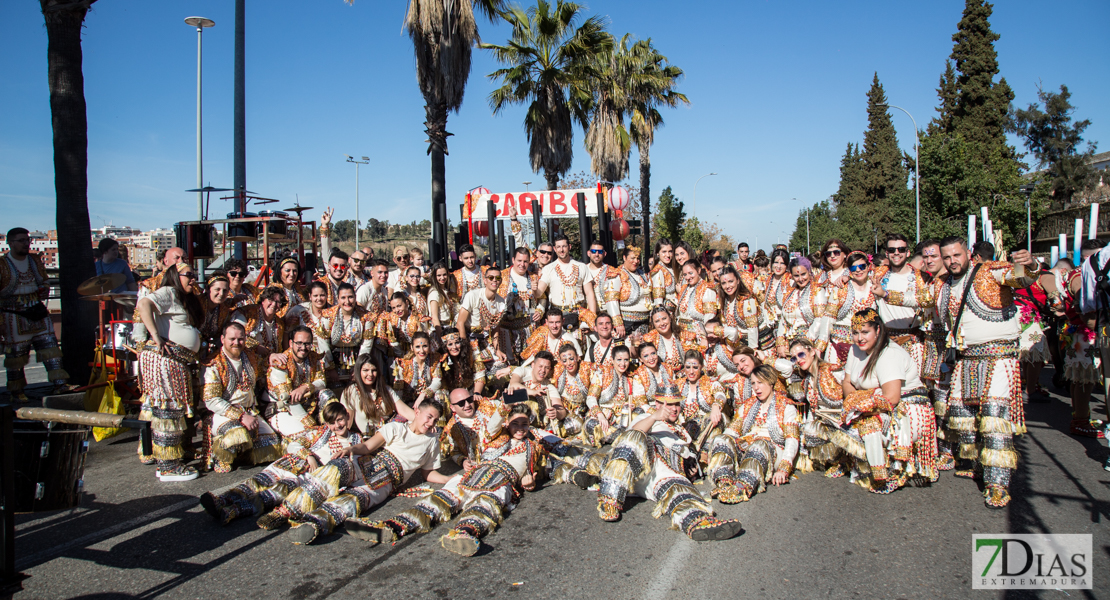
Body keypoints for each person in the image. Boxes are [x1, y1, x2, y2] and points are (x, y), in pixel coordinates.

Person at [346, 404, 549, 556]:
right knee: (438, 500)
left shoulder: (534, 448)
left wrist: (528, 483)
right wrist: (505, 404)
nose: (520, 427)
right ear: (507, 423)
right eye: (515, 423)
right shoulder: (496, 435)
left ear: (530, 425)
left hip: (501, 482)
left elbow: (530, 475)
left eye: (524, 424)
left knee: (485, 507)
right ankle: (391, 527)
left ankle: (465, 534)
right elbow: (494, 422)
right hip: (474, 474)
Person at [259, 398, 451, 545]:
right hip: (369, 463)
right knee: (335, 470)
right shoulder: (396, 428)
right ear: (417, 411)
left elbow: (428, 473)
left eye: (435, 419)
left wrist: (449, 479)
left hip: (387, 481)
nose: (431, 422)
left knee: (353, 499)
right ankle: (285, 511)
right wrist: (351, 449)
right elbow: (367, 447)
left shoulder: (432, 441)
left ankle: (313, 523)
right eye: (429, 416)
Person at [937, 237, 1039, 508]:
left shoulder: (990, 271)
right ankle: (980, 465)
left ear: (969, 254)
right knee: (961, 415)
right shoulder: (944, 285)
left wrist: (1029, 265)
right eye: (946, 258)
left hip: (999, 357)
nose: (952, 261)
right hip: (966, 358)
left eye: (956, 255)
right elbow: (919, 298)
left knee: (995, 418)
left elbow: (1021, 279)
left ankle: (997, 483)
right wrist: (886, 294)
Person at [568, 385, 742, 541]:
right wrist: (655, 417)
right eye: (668, 404)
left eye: (676, 404)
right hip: (636, 468)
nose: (673, 409)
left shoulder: (681, 430)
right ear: (657, 404)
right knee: (633, 438)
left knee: (678, 489)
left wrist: (693, 463)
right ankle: (609, 500)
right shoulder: (646, 417)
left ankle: (696, 522)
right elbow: (631, 435)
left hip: (662, 475)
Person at [200, 402, 362, 525]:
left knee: (274, 494)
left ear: (347, 416)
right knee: (257, 482)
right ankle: (222, 500)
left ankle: (234, 511)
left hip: (305, 478)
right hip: (292, 463)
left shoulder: (356, 440)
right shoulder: (318, 433)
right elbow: (292, 443)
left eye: (340, 420)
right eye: (332, 423)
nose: (337, 426)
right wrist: (308, 456)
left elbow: (352, 467)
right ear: (327, 424)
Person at [842, 308, 936, 492]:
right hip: (873, 402)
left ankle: (884, 476)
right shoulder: (855, 349)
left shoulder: (888, 354)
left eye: (865, 332)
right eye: (855, 333)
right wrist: (854, 400)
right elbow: (847, 382)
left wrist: (859, 403)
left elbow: (892, 397)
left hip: (906, 408)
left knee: (868, 424)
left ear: (878, 330)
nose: (859, 338)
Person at [134, 263, 203, 481]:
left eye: (194, 275)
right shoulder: (169, 292)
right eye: (189, 275)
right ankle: (167, 467)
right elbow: (144, 304)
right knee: (168, 413)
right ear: (175, 275)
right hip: (164, 361)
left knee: (172, 412)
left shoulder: (179, 297)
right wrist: (154, 335)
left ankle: (170, 462)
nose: (193, 279)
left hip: (175, 362)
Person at [706, 364, 800, 503]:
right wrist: (719, 447)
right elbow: (733, 430)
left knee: (759, 445)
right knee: (721, 438)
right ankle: (724, 482)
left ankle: (741, 487)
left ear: (771, 382)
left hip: (771, 450)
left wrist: (784, 469)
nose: (756, 388)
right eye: (753, 383)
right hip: (746, 447)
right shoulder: (748, 405)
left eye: (760, 383)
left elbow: (792, 440)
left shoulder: (786, 407)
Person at [202, 322, 283, 473]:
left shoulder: (249, 356)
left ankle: (243, 453)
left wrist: (271, 355)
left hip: (251, 412)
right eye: (232, 339)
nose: (236, 343)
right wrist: (240, 416)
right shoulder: (214, 363)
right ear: (222, 339)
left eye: (240, 339)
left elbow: (263, 358)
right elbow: (211, 400)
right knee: (237, 435)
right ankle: (220, 454)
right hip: (224, 414)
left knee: (273, 444)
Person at [1, 227, 69, 399]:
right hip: (13, 313)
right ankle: (17, 390)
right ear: (10, 242)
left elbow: (44, 280)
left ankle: (59, 384)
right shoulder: (2, 264)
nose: (26, 244)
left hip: (37, 309)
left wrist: (44, 289)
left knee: (50, 346)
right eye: (21, 241)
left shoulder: (35, 260)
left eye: (27, 240)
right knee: (17, 354)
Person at [870, 234, 935, 377]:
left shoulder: (922, 278)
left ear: (908, 252)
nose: (896, 253)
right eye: (892, 250)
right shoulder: (878, 275)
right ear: (887, 253)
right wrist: (845, 277)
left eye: (901, 249)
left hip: (913, 341)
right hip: (886, 340)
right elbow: (857, 273)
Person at [1061, 239, 1106, 438]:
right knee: (1083, 378)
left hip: (1080, 332)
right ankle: (1080, 420)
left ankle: (1081, 415)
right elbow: (1085, 303)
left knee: (1083, 377)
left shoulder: (1079, 273)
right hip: (1084, 333)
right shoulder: (1079, 276)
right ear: (1090, 257)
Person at [267, 326, 336, 436]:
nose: (303, 347)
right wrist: (311, 425)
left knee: (327, 394)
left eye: (307, 344)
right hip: (283, 410)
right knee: (307, 435)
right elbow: (287, 400)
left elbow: (322, 381)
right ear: (291, 343)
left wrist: (305, 388)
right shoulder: (280, 363)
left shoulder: (313, 357)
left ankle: (334, 426)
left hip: (307, 405)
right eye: (299, 343)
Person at [336, 353, 412, 436]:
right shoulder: (350, 392)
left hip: (390, 437)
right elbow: (347, 422)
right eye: (366, 370)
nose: (370, 374)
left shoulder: (386, 390)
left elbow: (406, 411)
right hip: (366, 441)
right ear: (358, 371)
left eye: (374, 370)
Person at [535, 233, 600, 329]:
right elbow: (538, 293)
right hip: (556, 317)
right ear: (555, 249)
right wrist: (534, 289)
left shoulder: (581, 267)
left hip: (579, 315)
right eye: (558, 247)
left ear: (569, 247)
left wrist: (592, 319)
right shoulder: (549, 269)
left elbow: (590, 294)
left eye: (564, 246)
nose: (561, 250)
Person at [583, 345, 641, 446]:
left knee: (639, 414)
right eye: (619, 360)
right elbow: (591, 398)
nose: (622, 364)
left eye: (626, 360)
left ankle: (619, 436)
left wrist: (630, 405)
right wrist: (600, 415)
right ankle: (622, 437)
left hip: (621, 417)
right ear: (612, 360)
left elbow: (636, 398)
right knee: (593, 426)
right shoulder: (602, 373)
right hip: (601, 416)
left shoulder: (630, 377)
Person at [316, 283, 376, 381]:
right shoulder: (327, 316)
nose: (347, 301)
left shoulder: (366, 317)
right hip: (332, 361)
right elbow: (323, 344)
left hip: (358, 360)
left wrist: (359, 367)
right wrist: (330, 368)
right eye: (343, 298)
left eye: (350, 297)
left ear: (355, 297)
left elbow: (366, 345)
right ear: (338, 298)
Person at [825, 251, 876, 364]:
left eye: (862, 266)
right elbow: (828, 317)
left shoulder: (875, 287)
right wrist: (820, 345)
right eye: (853, 268)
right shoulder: (841, 288)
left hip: (866, 345)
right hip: (838, 343)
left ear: (868, 267)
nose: (858, 270)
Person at [677, 350, 727, 460]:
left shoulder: (710, 383)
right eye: (687, 367)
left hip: (707, 429)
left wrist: (715, 406)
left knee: (711, 419)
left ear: (701, 367)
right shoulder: (678, 384)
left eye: (695, 367)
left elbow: (720, 394)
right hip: (684, 427)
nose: (691, 372)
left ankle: (704, 456)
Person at [439, 388, 506, 469]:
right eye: (461, 403)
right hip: (481, 465)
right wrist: (463, 461)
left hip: (504, 452)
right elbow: (455, 452)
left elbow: (506, 409)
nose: (467, 405)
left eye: (469, 400)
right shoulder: (452, 428)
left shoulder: (487, 406)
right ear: (452, 407)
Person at [777, 257, 830, 359]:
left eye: (803, 274)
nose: (800, 279)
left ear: (809, 272)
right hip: (789, 345)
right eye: (796, 276)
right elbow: (783, 318)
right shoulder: (790, 292)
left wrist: (804, 343)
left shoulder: (817, 291)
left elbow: (819, 320)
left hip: (808, 345)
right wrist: (780, 342)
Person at [497, 247, 545, 360]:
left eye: (525, 261)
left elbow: (543, 298)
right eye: (519, 261)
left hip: (529, 327)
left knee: (529, 362)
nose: (522, 264)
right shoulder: (501, 276)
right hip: (506, 329)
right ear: (513, 260)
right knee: (509, 364)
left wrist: (540, 310)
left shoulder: (534, 277)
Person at [457, 267, 508, 371]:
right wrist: (464, 347)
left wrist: (497, 349)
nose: (494, 280)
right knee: (477, 370)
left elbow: (495, 328)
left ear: (501, 281)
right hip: (468, 338)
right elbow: (460, 323)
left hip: (484, 339)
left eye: (498, 277)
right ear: (485, 280)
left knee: (500, 368)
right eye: (491, 277)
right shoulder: (473, 295)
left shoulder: (501, 302)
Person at [506, 350, 570, 434]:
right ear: (533, 365)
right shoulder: (523, 371)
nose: (543, 370)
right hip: (511, 415)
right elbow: (513, 384)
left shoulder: (548, 387)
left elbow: (562, 411)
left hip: (532, 424)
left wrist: (556, 412)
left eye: (546, 368)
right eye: (540, 366)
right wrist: (533, 392)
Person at [635, 306, 703, 372]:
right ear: (653, 324)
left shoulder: (684, 335)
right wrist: (634, 341)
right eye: (657, 321)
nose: (662, 323)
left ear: (670, 318)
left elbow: (696, 357)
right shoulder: (649, 338)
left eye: (664, 318)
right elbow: (635, 354)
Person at [552, 342, 597, 435]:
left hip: (582, 414)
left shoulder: (587, 368)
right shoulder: (557, 372)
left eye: (571, 359)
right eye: (564, 360)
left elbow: (605, 371)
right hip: (563, 412)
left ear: (577, 357)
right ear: (560, 361)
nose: (568, 363)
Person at [230, 285, 287, 356]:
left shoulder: (280, 324)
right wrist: (255, 347)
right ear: (263, 300)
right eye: (271, 300)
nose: (274, 304)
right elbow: (233, 336)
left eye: (278, 302)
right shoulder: (247, 313)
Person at [428, 330, 487, 398]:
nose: (454, 347)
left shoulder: (470, 353)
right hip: (452, 396)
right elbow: (442, 384)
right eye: (450, 344)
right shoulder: (441, 359)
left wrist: (477, 393)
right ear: (445, 346)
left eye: (457, 343)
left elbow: (479, 374)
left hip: (471, 393)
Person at [611, 246, 653, 336]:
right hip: (627, 324)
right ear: (624, 258)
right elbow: (611, 300)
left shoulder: (642, 274)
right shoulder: (617, 274)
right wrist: (618, 323)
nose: (636, 261)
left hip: (645, 322)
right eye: (632, 258)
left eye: (638, 258)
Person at [198, 273, 237, 362]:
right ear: (208, 289)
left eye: (225, 290)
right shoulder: (197, 304)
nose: (221, 293)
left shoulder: (224, 309)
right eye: (217, 289)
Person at [390, 331, 436, 407]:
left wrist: (423, 394)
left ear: (430, 346)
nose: (421, 351)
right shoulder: (403, 364)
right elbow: (399, 391)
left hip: (429, 401)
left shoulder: (435, 360)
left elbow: (437, 382)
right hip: (409, 403)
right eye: (417, 347)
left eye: (425, 346)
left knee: (441, 394)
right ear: (412, 347)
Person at [376, 292, 427, 360]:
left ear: (406, 303)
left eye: (399, 306)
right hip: (397, 355)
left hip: (417, 354)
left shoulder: (417, 319)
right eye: (393, 308)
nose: (397, 310)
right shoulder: (391, 317)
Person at [676, 261, 718, 332]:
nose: (688, 277)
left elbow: (709, 317)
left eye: (690, 273)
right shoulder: (684, 288)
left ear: (698, 270)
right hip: (681, 333)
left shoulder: (707, 289)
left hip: (698, 334)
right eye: (685, 274)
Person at [427, 260, 461, 337]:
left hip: (449, 328)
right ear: (434, 276)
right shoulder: (434, 293)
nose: (442, 278)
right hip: (440, 330)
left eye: (444, 274)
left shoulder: (446, 290)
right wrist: (441, 337)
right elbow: (434, 318)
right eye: (439, 275)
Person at [649, 239, 680, 311]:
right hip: (666, 311)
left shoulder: (670, 268)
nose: (668, 255)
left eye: (670, 251)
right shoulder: (658, 270)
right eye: (664, 252)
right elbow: (658, 299)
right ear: (657, 253)